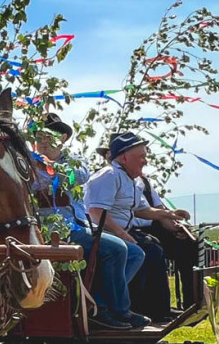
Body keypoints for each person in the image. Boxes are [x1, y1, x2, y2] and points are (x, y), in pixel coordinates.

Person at [33, 114, 147, 329]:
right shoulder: (29, 163)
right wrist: (41, 165)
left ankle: (98, 305)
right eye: (39, 136)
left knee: (136, 253)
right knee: (117, 249)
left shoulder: (75, 160)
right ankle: (116, 311)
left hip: (80, 226)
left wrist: (49, 165)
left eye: (49, 137)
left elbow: (77, 177)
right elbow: (31, 186)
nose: (43, 142)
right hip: (54, 231)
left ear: (63, 138)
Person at [83, 132, 182, 322]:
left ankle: (120, 307)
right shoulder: (109, 175)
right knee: (142, 251)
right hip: (101, 233)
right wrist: (121, 234)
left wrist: (171, 215)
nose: (145, 161)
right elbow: (96, 212)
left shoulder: (130, 180)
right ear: (124, 157)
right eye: (141, 157)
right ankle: (107, 307)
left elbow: (141, 210)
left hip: (120, 232)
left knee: (149, 249)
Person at [130, 175, 198, 308]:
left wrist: (174, 227)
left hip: (153, 226)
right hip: (129, 228)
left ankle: (192, 302)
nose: (144, 161)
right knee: (153, 247)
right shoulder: (112, 179)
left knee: (189, 244)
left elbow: (159, 209)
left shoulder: (143, 181)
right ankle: (159, 307)